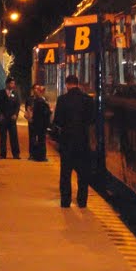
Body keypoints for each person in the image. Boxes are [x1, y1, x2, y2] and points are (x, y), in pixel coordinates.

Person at [51, 73, 95, 208]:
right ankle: (82, 201)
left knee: (66, 173)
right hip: (82, 141)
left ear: (67, 84)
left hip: (67, 141)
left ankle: (65, 201)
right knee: (83, 173)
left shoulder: (62, 100)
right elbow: (91, 120)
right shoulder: (87, 100)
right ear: (78, 84)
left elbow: (57, 121)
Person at [0, 75, 21, 159]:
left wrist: (16, 114)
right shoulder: (0, 93)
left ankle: (16, 154)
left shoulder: (15, 94)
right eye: (11, 83)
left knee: (14, 137)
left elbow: (17, 105)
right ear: (7, 84)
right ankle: (2, 154)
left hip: (12, 119)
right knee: (3, 137)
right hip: (3, 118)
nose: (13, 85)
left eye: (14, 83)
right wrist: (0, 114)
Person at [27, 84, 51, 162]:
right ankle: (40, 156)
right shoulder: (40, 101)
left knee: (38, 139)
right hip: (40, 123)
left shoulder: (38, 100)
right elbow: (43, 112)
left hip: (38, 123)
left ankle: (36, 155)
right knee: (41, 140)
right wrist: (50, 111)